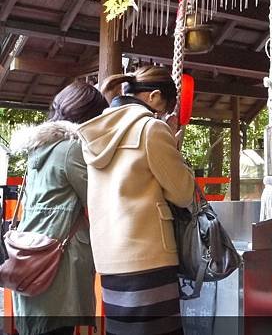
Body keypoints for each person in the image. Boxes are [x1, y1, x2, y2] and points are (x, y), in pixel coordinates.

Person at [77, 66, 195, 335]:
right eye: (163, 108)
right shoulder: (151, 129)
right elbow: (182, 193)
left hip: (109, 257)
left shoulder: (95, 132)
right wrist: (175, 151)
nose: (161, 115)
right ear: (154, 96)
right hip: (148, 256)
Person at [9, 81, 109, 335]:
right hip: (58, 263)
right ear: (89, 118)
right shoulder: (72, 149)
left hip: (32, 255)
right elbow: (98, 199)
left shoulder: (39, 148)